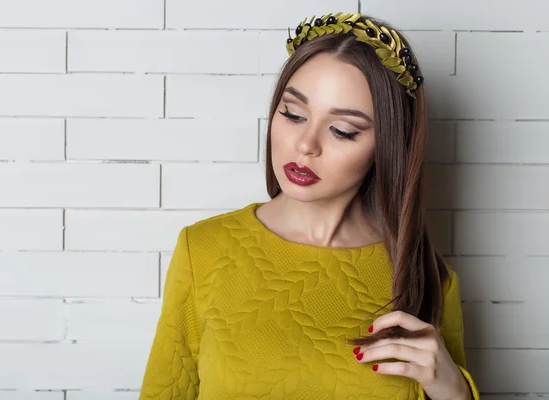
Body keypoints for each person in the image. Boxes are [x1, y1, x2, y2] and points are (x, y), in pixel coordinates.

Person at [138, 12, 480, 400]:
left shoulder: (426, 277)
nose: (306, 144)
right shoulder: (202, 250)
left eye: (343, 131)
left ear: (386, 147)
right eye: (293, 114)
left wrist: (454, 391)